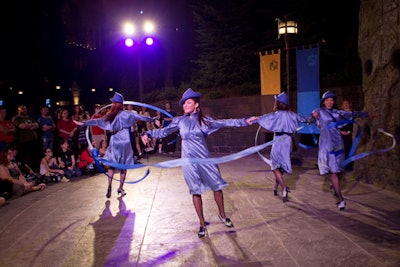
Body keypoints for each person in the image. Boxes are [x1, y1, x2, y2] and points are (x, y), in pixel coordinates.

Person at [141, 88, 256, 238]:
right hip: (188, 161)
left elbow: (225, 123)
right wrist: (147, 133)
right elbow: (163, 131)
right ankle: (202, 223)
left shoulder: (205, 120)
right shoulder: (180, 121)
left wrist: (244, 121)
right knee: (195, 190)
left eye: (188, 102)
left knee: (217, 187)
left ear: (196, 104)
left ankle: (222, 214)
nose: (185, 105)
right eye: (183, 104)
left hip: (204, 159)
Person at [74, 92, 155, 198]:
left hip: (115, 142)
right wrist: (152, 119)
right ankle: (120, 188)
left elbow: (97, 121)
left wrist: (85, 123)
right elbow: (142, 117)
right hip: (125, 142)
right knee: (123, 167)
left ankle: (109, 186)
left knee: (112, 166)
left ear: (114, 104)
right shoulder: (128, 114)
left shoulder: (111, 115)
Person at [309, 91, 368, 211]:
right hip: (326, 145)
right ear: (323, 102)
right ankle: (341, 199)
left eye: (332, 100)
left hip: (338, 143)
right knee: (333, 171)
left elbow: (352, 114)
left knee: (340, 169)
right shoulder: (319, 111)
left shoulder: (337, 113)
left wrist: (365, 114)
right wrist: (312, 116)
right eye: (327, 100)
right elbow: (309, 120)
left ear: (333, 102)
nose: (330, 102)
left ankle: (335, 186)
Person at [253, 92, 308, 202]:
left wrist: (252, 119)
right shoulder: (292, 114)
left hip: (278, 141)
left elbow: (262, 119)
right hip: (288, 142)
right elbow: (305, 119)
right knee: (280, 167)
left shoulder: (275, 115)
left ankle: (284, 188)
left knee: (274, 166)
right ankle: (275, 188)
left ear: (278, 103)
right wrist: (314, 117)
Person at [339, 99, 354, 171]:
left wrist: (348, 132)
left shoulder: (353, 114)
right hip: (341, 135)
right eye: (344, 104)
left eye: (347, 103)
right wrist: (340, 132)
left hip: (349, 135)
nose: (346, 105)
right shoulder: (340, 115)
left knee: (349, 149)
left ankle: (348, 166)